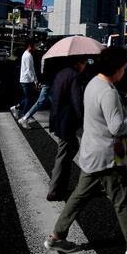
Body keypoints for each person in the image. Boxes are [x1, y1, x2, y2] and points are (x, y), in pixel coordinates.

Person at [43, 46, 127, 254]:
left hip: (91, 152)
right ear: (116, 68)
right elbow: (117, 128)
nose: (124, 71)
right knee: (123, 200)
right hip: (109, 156)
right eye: (124, 67)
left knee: (78, 197)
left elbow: (103, 116)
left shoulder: (93, 83)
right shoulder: (107, 91)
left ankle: (56, 237)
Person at [47, 56, 88, 201]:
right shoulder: (75, 76)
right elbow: (76, 101)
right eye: (85, 62)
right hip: (66, 120)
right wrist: (83, 119)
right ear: (78, 63)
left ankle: (58, 179)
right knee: (64, 154)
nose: (86, 65)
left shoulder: (61, 73)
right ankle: (54, 189)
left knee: (70, 148)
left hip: (57, 117)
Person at [11, 40, 39, 127]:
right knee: (28, 98)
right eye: (35, 45)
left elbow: (31, 69)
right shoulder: (27, 56)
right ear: (30, 46)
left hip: (27, 80)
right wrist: (35, 81)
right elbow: (29, 70)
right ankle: (24, 117)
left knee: (28, 98)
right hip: (26, 80)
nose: (36, 47)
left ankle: (16, 108)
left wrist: (35, 80)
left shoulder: (27, 54)